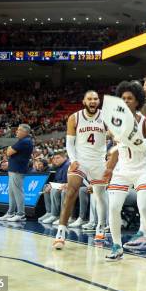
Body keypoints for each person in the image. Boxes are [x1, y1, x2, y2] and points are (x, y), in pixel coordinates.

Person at [104, 81, 146, 261]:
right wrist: (109, 169)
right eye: (123, 98)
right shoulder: (115, 121)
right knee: (113, 208)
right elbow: (117, 147)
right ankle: (116, 246)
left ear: (138, 101)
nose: (126, 101)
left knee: (145, 208)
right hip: (123, 169)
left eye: (130, 98)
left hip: (144, 169)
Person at [53, 91, 109, 250]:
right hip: (81, 161)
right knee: (71, 191)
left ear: (99, 101)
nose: (93, 101)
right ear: (84, 101)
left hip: (99, 161)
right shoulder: (74, 117)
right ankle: (61, 233)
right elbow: (70, 143)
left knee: (100, 195)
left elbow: (114, 136)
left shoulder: (106, 117)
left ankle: (101, 225)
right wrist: (73, 159)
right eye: (90, 99)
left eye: (96, 99)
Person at [0, 124, 34, 222]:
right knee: (12, 192)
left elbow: (8, 152)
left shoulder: (25, 141)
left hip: (18, 170)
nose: (16, 132)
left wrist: (9, 148)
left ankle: (21, 214)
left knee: (18, 192)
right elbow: (9, 151)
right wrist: (10, 149)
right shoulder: (22, 141)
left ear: (25, 132)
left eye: (19, 130)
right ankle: (10, 213)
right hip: (14, 169)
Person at [39, 153, 71, 224]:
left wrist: (52, 186)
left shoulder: (67, 165)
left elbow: (65, 181)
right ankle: (49, 212)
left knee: (53, 190)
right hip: (61, 185)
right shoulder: (59, 166)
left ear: (64, 158)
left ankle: (55, 215)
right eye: (54, 158)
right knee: (46, 186)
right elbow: (56, 180)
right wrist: (51, 185)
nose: (55, 160)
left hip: (67, 186)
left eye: (58, 158)